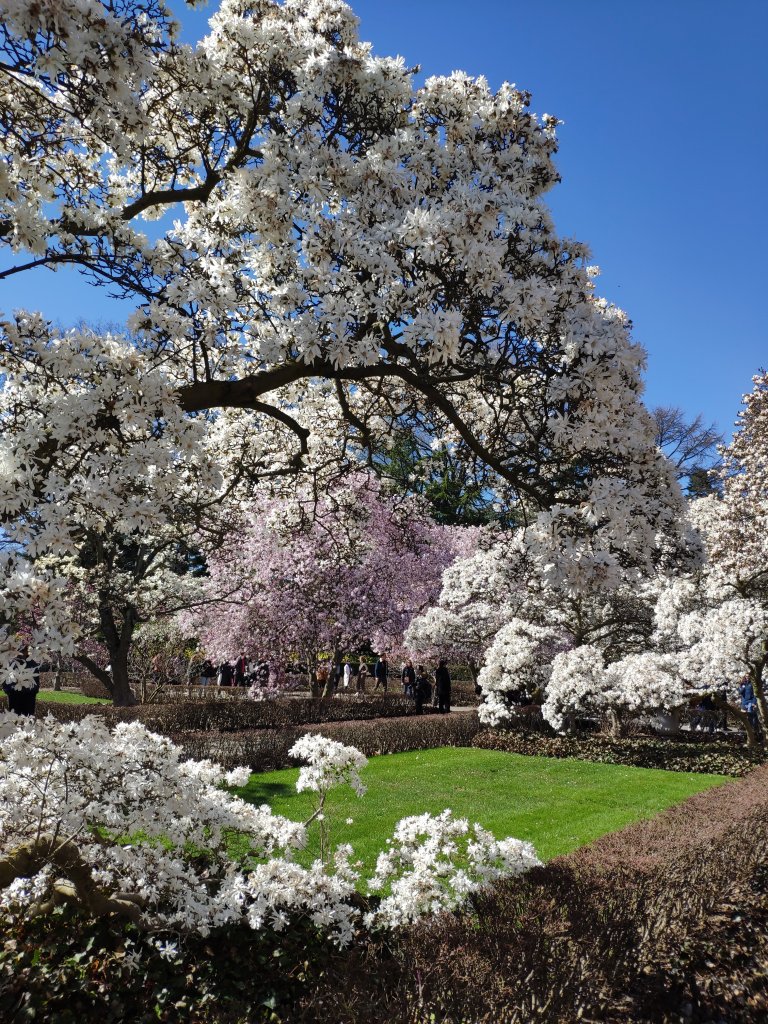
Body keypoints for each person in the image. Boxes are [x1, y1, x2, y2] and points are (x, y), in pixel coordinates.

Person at [2, 645, 40, 717]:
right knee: (14, 721)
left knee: (27, 721)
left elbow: (36, 685)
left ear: (26, 651)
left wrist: (26, 689)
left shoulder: (33, 664)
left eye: (22, 651)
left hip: (28, 699)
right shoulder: (10, 663)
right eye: (18, 651)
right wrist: (12, 689)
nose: (20, 653)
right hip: (14, 698)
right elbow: (5, 683)